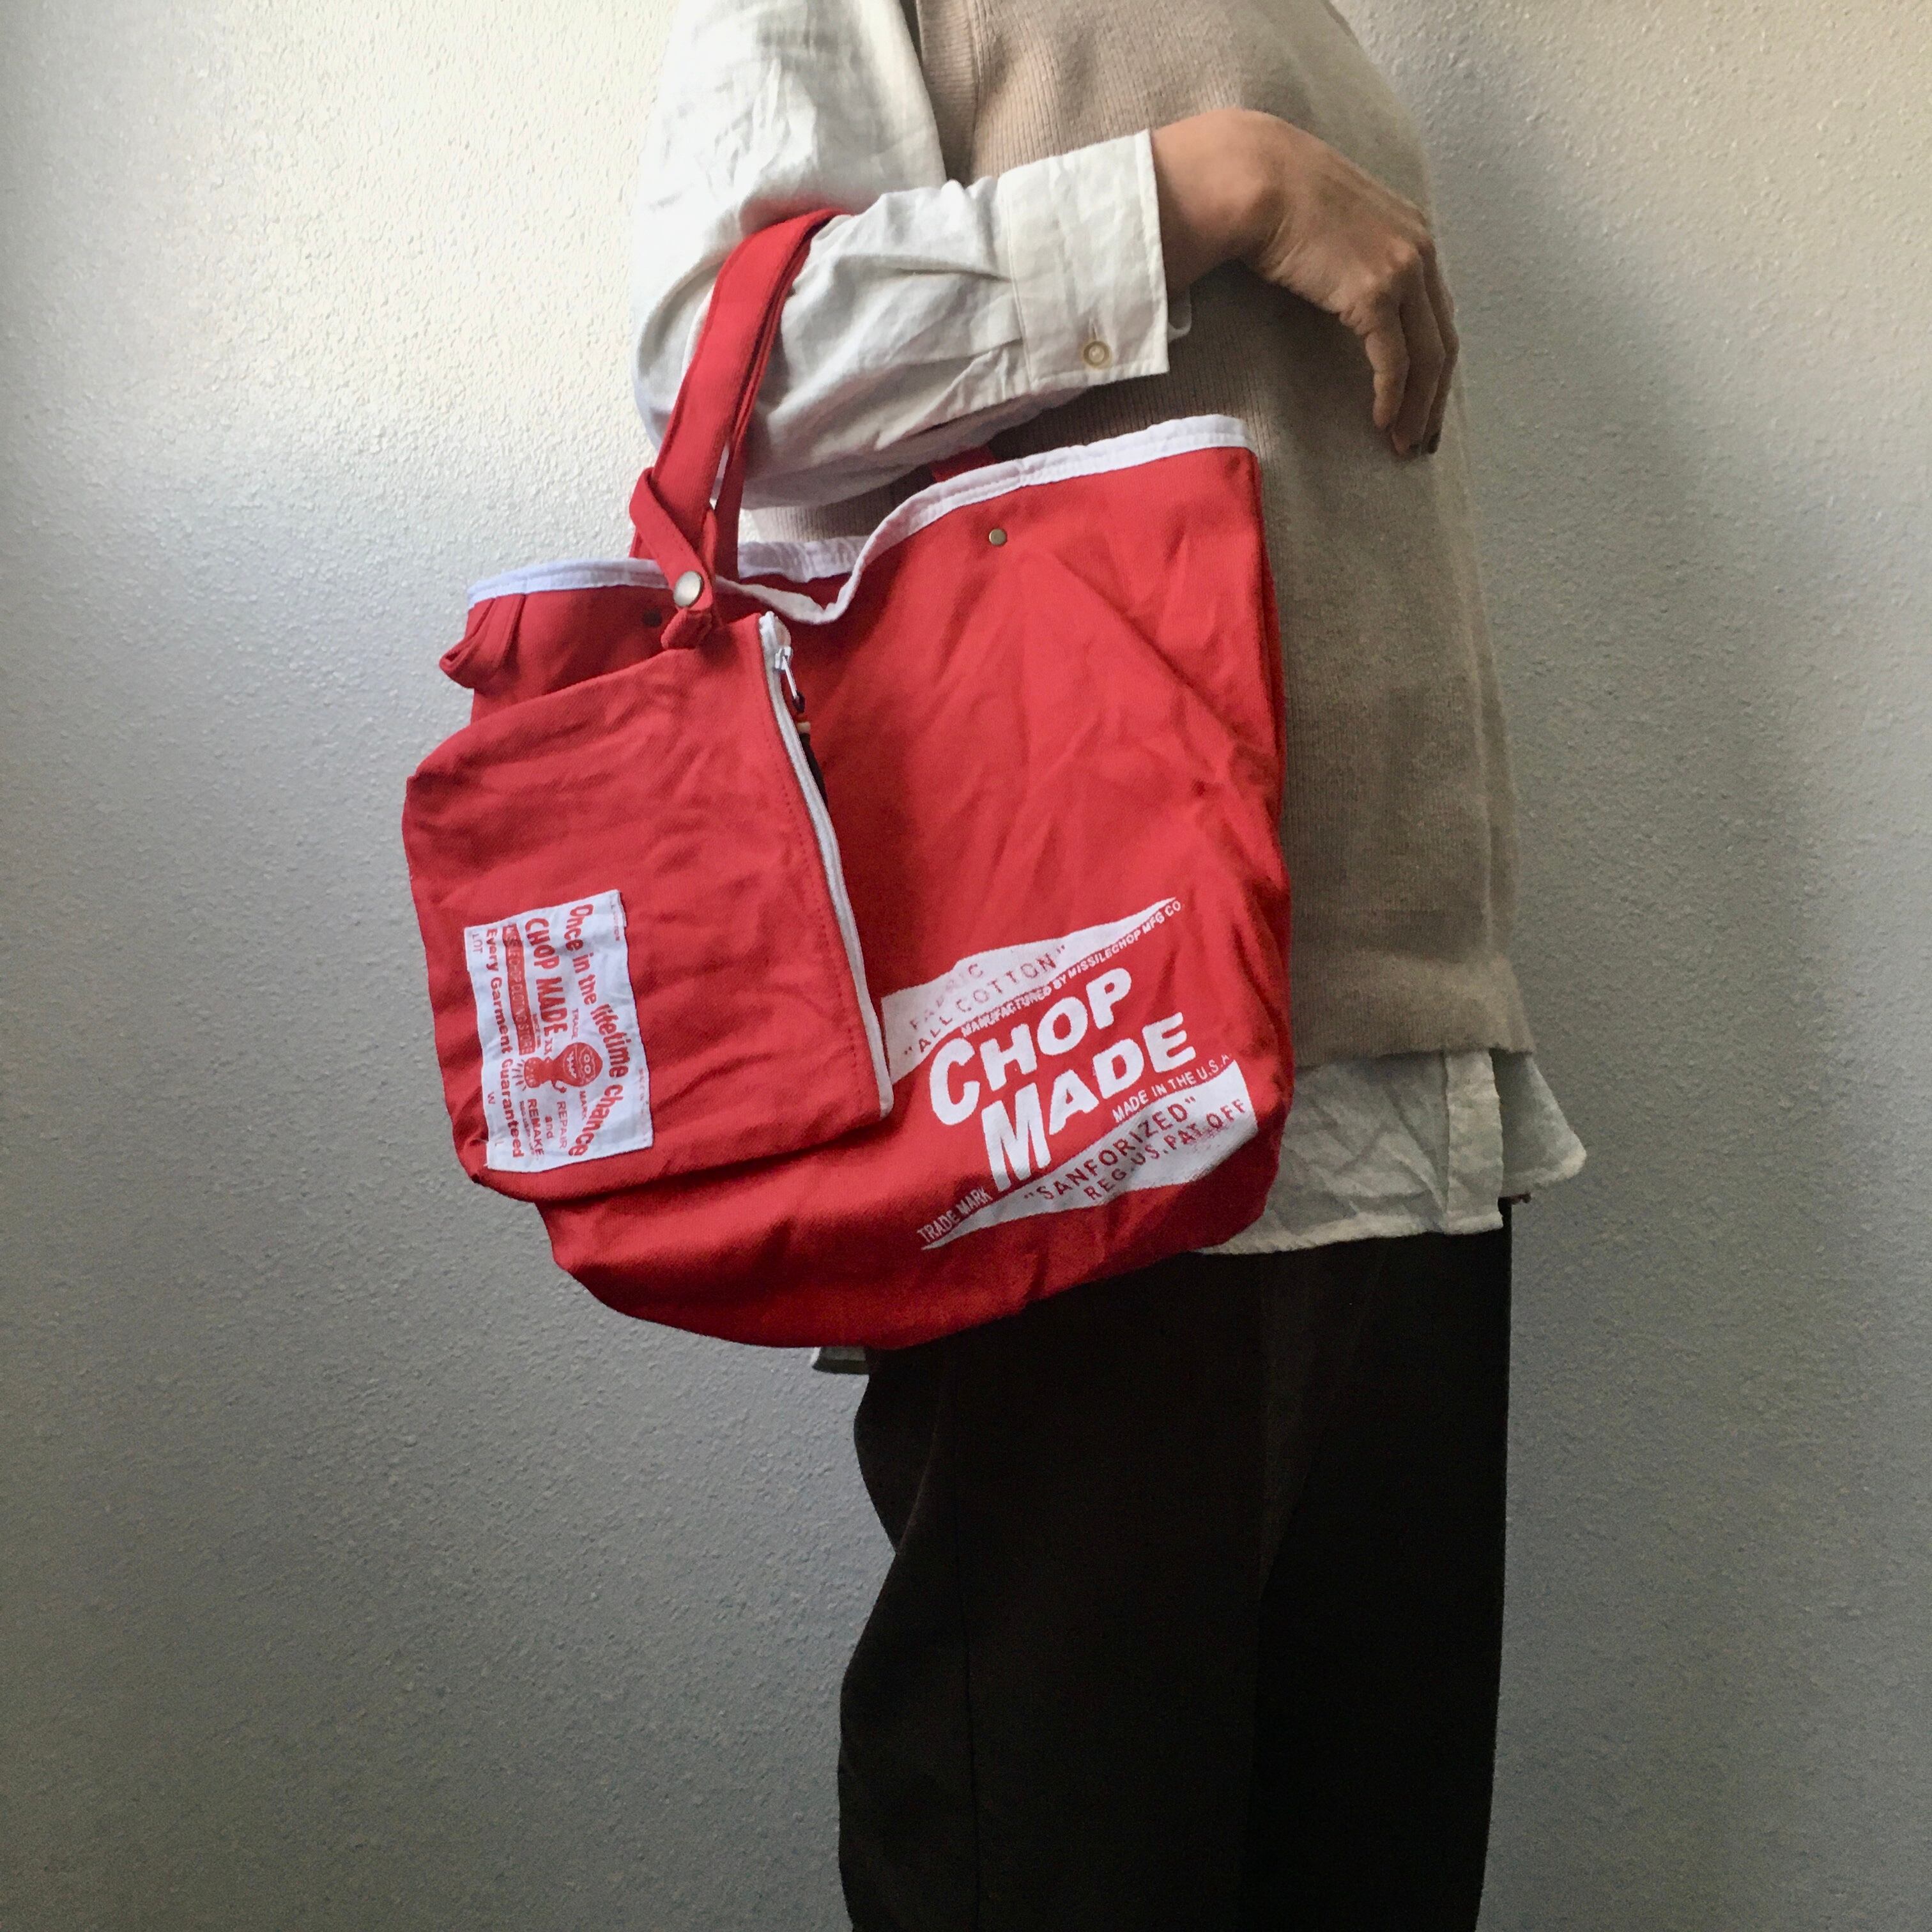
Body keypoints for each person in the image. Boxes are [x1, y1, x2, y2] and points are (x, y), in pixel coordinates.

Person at [631, 3, 1587, 1926]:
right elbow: (731, 372)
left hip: (1399, 1078)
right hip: (1099, 1093)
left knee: (1371, 1861)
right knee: (1063, 1861)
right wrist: (1209, 188)